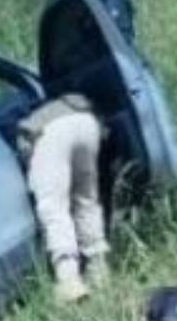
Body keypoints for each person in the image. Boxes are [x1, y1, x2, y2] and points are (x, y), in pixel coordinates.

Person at [18, 93, 109, 303]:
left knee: (53, 208)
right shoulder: (60, 101)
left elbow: (27, 156)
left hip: (50, 133)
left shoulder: (28, 126)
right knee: (86, 201)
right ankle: (99, 270)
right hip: (87, 122)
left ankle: (69, 280)